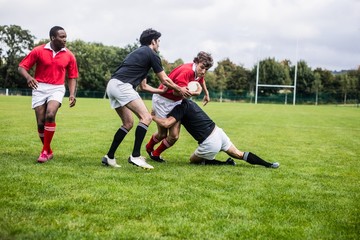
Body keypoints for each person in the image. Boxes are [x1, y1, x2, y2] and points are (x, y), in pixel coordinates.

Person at [101, 28, 191, 170]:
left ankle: (109, 157)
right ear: (153, 41)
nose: (159, 44)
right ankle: (135, 156)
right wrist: (179, 89)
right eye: (158, 41)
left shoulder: (138, 54)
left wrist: (160, 91)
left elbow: (143, 86)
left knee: (128, 123)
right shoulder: (151, 54)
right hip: (123, 86)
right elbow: (165, 79)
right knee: (146, 117)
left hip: (113, 85)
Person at [151, 98, 280, 168]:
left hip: (209, 142)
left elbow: (167, 124)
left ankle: (225, 163)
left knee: (193, 160)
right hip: (218, 132)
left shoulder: (179, 107)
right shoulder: (190, 102)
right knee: (238, 153)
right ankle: (268, 164)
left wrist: (152, 117)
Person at [18, 26, 78, 163]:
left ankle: (44, 152)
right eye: (61, 37)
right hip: (39, 87)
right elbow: (21, 67)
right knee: (40, 123)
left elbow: (72, 76)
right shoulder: (38, 50)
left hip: (57, 88)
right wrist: (29, 78)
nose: (65, 39)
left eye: (65, 37)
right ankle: (48, 150)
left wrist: (72, 94)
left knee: (50, 114)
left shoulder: (69, 55)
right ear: (52, 38)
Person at [145, 51, 213, 162]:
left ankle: (156, 154)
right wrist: (195, 93)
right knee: (162, 134)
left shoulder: (198, 71)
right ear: (196, 62)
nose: (204, 71)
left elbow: (201, 80)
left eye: (206, 69)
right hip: (163, 100)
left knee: (174, 136)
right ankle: (149, 147)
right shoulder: (186, 72)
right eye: (202, 68)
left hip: (176, 102)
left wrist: (206, 93)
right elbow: (176, 93)